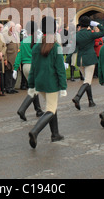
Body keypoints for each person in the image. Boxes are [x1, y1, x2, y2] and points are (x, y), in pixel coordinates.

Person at [27, 16, 67, 149]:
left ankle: (55, 134)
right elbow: (60, 69)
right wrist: (63, 86)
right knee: (50, 109)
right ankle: (35, 131)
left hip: (40, 83)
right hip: (52, 84)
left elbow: (33, 69)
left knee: (51, 107)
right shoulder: (55, 46)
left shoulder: (36, 47)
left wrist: (31, 85)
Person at [71, 15, 104, 110]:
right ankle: (77, 97)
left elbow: (73, 49)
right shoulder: (90, 33)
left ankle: (91, 101)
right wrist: (98, 24)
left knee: (87, 81)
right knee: (87, 81)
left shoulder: (76, 35)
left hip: (80, 59)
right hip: (90, 58)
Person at [14, 21, 44, 121]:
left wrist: (15, 68)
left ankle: (38, 110)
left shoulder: (23, 42)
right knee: (35, 90)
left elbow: (18, 56)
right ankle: (22, 109)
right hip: (34, 66)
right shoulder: (38, 40)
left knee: (34, 89)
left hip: (25, 67)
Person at [2, 21, 20, 94]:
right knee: (9, 73)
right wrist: (5, 58)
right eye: (12, 26)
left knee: (15, 72)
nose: (14, 28)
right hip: (10, 56)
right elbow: (4, 47)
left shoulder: (16, 34)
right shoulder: (5, 35)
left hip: (16, 56)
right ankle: (8, 88)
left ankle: (12, 87)